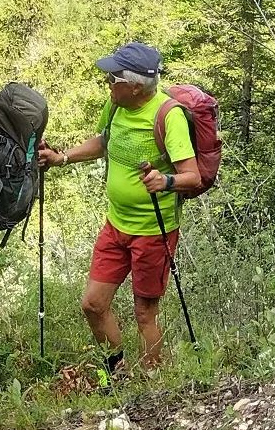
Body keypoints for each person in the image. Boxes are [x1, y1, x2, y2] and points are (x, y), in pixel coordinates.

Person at [40, 41, 198, 376]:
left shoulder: (168, 116)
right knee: (93, 304)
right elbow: (103, 142)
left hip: (154, 230)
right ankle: (118, 372)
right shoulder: (115, 106)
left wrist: (165, 181)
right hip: (116, 224)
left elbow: (192, 176)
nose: (107, 84)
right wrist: (62, 158)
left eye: (113, 79)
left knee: (145, 313)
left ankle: (151, 383)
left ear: (136, 86)